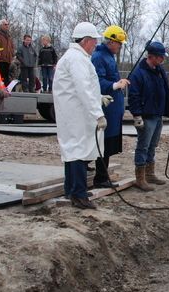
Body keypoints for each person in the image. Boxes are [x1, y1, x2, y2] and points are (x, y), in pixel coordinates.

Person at [53, 22, 106, 209]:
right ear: (85, 41)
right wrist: (98, 113)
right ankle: (78, 194)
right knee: (77, 150)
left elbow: (82, 87)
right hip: (76, 112)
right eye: (94, 41)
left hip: (74, 111)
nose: (95, 45)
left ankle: (73, 190)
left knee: (73, 149)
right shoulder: (76, 59)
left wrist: (98, 97)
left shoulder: (75, 57)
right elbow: (83, 88)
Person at [128, 41, 169, 192]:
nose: (163, 59)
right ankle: (140, 178)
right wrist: (137, 115)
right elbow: (134, 96)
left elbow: (165, 91)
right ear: (152, 57)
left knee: (152, 145)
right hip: (146, 115)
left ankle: (150, 174)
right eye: (161, 57)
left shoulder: (159, 71)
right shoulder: (139, 73)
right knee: (143, 146)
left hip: (157, 114)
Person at [91, 25, 130, 189]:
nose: (120, 47)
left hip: (113, 109)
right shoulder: (99, 57)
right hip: (106, 107)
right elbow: (97, 81)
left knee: (109, 142)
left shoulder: (108, 56)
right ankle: (100, 178)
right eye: (119, 43)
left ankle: (102, 175)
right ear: (111, 41)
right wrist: (115, 85)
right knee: (104, 142)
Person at [0, 19, 15, 84]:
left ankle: (5, 92)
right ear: (1, 25)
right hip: (0, 61)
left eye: (8, 24)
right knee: (0, 77)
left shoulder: (9, 36)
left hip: (8, 61)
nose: (7, 26)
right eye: (5, 24)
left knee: (6, 79)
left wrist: (12, 54)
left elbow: (12, 47)